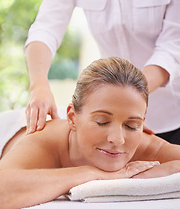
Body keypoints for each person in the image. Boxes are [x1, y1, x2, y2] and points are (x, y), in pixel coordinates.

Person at [0, 57, 180, 209]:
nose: (117, 139)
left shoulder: (144, 145)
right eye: (102, 122)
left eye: (132, 125)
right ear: (72, 118)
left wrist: (161, 170)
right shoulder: (43, 139)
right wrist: (93, 174)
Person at [24, 0, 180, 145]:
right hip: (113, 114)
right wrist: (39, 85)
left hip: (173, 114)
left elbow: (172, 49)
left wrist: (124, 102)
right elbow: (45, 28)